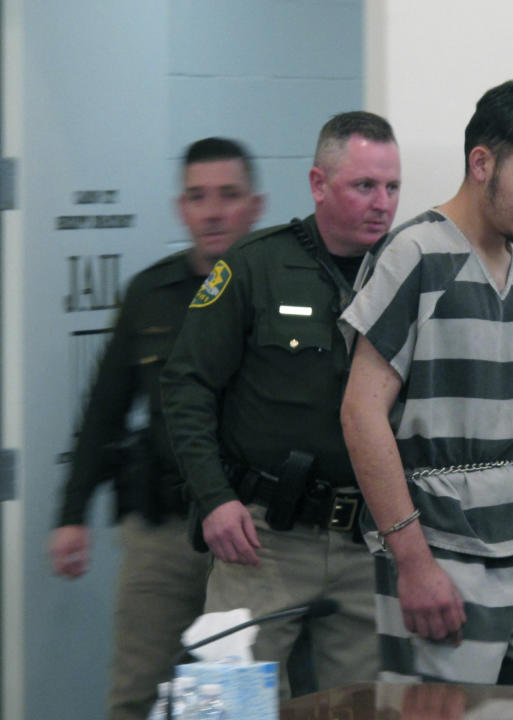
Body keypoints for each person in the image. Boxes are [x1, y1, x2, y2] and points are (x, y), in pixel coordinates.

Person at [339, 78, 513, 686]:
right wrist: (413, 563)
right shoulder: (415, 254)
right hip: (442, 553)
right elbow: (361, 413)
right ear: (481, 163)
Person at [160, 111, 401, 699]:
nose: (382, 203)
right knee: (224, 708)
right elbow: (186, 386)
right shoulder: (253, 266)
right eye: (364, 186)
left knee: (362, 712)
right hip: (261, 541)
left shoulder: (407, 271)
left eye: (392, 187)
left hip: (365, 541)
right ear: (319, 184)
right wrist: (214, 499)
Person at [49, 137, 264, 720]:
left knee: (230, 704)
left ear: (256, 205)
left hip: (253, 535)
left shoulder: (279, 290)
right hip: (163, 533)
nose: (213, 210)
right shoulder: (151, 294)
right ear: (181, 208)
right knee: (138, 695)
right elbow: (104, 409)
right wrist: (72, 514)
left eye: (228, 195)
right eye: (197, 197)